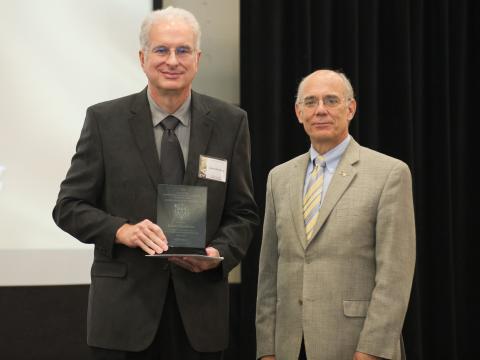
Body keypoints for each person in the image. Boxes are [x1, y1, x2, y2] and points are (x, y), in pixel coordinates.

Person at [53, 7, 258, 360]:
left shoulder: (230, 122)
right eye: (161, 50)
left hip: (200, 315)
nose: (172, 60)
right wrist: (122, 230)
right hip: (123, 316)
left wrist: (217, 254)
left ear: (198, 58)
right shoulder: (105, 120)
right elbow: (69, 207)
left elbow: (242, 213)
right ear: (143, 57)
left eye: (183, 50)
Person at [255, 69, 415, 360]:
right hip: (290, 348)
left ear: (350, 108)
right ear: (298, 112)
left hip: (357, 347)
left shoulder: (389, 173)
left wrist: (371, 351)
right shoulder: (279, 177)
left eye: (331, 101)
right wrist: (267, 349)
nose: (320, 111)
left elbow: (395, 276)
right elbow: (268, 271)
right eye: (311, 102)